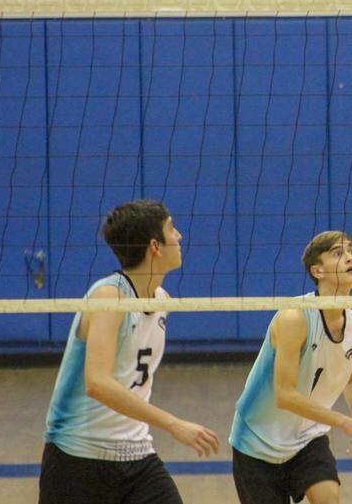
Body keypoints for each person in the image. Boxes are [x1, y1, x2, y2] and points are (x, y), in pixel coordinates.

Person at [40, 200, 219, 504]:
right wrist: (173, 424)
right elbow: (97, 383)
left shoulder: (162, 300)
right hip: (78, 457)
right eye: (171, 228)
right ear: (155, 246)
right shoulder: (109, 296)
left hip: (136, 454)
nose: (180, 237)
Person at [229, 231, 352, 504]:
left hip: (307, 439)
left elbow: (351, 380)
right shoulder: (295, 318)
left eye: (351, 251)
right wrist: (345, 423)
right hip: (256, 442)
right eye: (338, 253)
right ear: (318, 271)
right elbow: (285, 395)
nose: (350, 257)